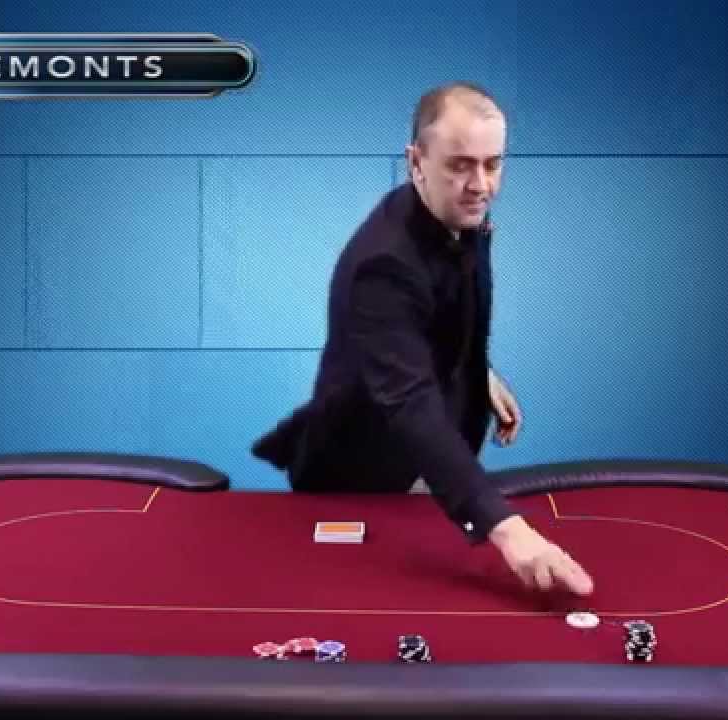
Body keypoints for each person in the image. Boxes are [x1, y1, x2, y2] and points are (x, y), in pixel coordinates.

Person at [252, 82, 593, 597]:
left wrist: (476, 370)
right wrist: (509, 529)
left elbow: (443, 304)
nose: (481, 185)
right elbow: (410, 404)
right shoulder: (384, 265)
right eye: (460, 165)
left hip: (429, 454)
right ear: (416, 162)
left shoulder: (458, 212)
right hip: (367, 476)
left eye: (493, 164)